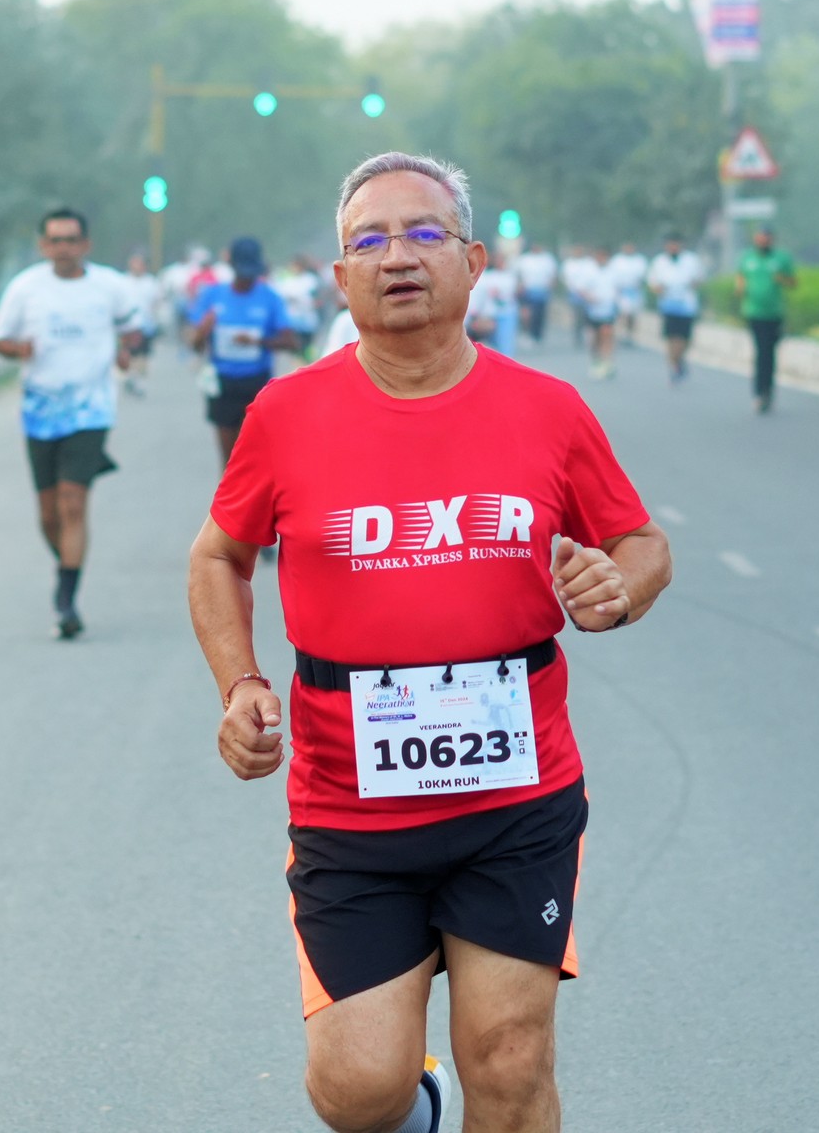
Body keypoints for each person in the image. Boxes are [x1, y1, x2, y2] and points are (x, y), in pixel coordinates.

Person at [187, 151, 672, 1133]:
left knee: (512, 1059)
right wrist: (239, 685)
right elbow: (218, 555)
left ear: (473, 262)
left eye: (423, 233)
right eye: (369, 240)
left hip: (516, 797)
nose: (397, 256)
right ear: (340, 278)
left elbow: (642, 542)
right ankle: (417, 1103)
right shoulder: (286, 414)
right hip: (350, 806)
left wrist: (619, 589)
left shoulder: (547, 408)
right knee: (358, 1089)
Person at [0, 208, 144, 639]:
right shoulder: (26, 288)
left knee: (73, 502)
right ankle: (68, 565)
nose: (63, 248)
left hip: (92, 409)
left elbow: (134, 328)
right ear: (43, 246)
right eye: (55, 240)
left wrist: (127, 349)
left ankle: (66, 600)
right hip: (40, 411)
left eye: (71, 240)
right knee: (48, 512)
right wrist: (17, 349)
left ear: (85, 245)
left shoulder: (109, 286)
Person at [189, 236, 301, 467]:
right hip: (222, 383)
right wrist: (202, 331)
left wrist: (258, 341)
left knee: (255, 458)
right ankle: (228, 490)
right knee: (229, 460)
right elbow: (195, 345)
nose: (247, 279)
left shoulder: (270, 297)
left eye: (251, 273)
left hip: (257, 383)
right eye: (243, 273)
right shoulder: (212, 295)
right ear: (231, 266)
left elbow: (291, 342)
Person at [735, 227, 796, 414]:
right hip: (754, 312)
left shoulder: (781, 258)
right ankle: (760, 392)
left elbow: (793, 282)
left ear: (772, 240)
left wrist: (781, 279)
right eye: (760, 238)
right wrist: (740, 289)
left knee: (770, 353)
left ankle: (768, 390)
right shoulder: (747, 258)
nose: (763, 242)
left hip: (775, 313)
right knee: (761, 352)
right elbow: (740, 277)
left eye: (766, 238)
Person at [647, 234, 705, 383]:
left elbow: (700, 279)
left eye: (676, 244)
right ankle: (673, 366)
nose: (673, 247)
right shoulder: (659, 262)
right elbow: (652, 282)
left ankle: (679, 360)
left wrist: (692, 285)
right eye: (670, 244)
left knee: (684, 338)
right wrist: (659, 289)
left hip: (687, 305)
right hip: (668, 305)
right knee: (671, 337)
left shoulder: (691, 260)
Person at [120, 252, 163, 395]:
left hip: (146, 325)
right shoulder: (123, 281)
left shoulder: (151, 283)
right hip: (128, 326)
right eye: (134, 263)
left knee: (143, 356)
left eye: (140, 263)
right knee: (130, 354)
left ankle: (138, 380)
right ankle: (130, 377)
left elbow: (157, 302)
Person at [580, 246, 621, 378]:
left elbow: (619, 289)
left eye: (604, 256)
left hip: (608, 310)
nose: (601, 259)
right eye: (599, 256)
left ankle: (607, 362)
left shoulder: (614, 272)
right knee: (595, 337)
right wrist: (589, 297)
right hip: (593, 310)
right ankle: (596, 359)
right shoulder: (589, 271)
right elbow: (581, 289)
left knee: (607, 334)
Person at [275, 254, 327, 357]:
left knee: (308, 347)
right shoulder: (288, 281)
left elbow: (317, 298)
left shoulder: (310, 280)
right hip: (294, 320)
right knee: (296, 349)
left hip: (308, 320)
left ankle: (311, 361)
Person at [514, 241, 558, 347]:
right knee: (528, 314)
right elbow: (518, 274)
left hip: (542, 291)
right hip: (528, 291)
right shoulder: (525, 259)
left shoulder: (547, 259)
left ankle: (537, 335)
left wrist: (550, 287)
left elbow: (553, 275)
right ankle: (528, 333)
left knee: (539, 314)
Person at [606, 241, 649, 341]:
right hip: (621, 291)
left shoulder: (639, 260)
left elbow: (643, 276)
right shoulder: (617, 260)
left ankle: (629, 334)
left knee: (632, 315)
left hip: (634, 291)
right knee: (623, 313)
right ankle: (620, 332)